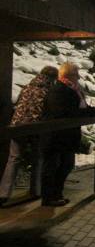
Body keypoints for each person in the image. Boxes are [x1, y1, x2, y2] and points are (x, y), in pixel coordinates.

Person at [0, 66, 58, 207]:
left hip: (17, 125)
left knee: (13, 159)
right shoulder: (48, 91)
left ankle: (3, 193)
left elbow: (18, 103)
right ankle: (36, 190)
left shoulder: (27, 87)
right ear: (53, 78)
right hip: (35, 128)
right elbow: (48, 111)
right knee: (38, 158)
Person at [42, 62, 95, 207]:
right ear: (69, 75)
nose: (79, 77)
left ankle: (56, 195)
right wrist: (90, 112)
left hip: (65, 137)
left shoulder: (69, 89)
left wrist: (90, 111)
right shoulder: (59, 90)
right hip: (55, 137)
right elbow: (68, 112)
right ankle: (49, 198)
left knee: (65, 165)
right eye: (76, 74)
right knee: (54, 167)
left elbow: (76, 108)